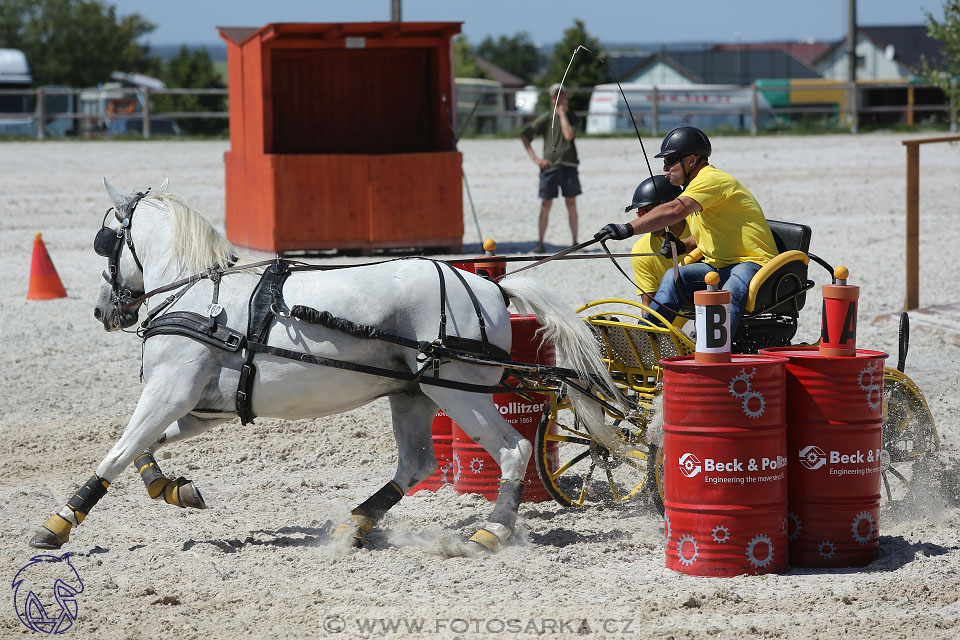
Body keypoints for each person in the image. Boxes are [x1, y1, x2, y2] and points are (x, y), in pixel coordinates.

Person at [596, 126, 778, 337]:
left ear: (691, 161)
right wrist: (683, 246)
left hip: (754, 263)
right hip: (720, 266)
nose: (665, 169)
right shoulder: (694, 189)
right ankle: (649, 336)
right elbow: (706, 235)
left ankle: (716, 354)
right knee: (674, 277)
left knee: (729, 293)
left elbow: (675, 209)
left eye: (670, 161)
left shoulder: (710, 180)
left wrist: (627, 228)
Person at [521, 83, 581, 253]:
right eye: (557, 95)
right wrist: (535, 159)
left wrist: (562, 114)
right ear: (552, 98)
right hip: (549, 168)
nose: (560, 98)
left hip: (569, 165)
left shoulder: (572, 116)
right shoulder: (546, 118)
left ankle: (575, 241)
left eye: (562, 94)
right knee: (546, 204)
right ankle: (540, 242)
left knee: (571, 203)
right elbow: (525, 135)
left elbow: (569, 135)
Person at [626, 175, 691, 308]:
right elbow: (648, 304)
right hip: (669, 325)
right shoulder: (640, 250)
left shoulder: (700, 232)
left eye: (648, 214)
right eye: (641, 215)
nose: (646, 221)